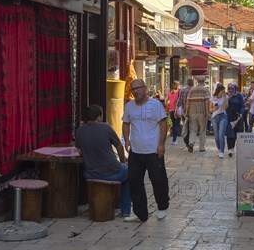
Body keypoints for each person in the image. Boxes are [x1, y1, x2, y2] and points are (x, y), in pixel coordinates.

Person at [122, 79, 169, 223]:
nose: (135, 91)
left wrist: (161, 144)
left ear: (145, 88)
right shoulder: (129, 106)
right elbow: (125, 123)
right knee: (134, 181)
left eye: (138, 88)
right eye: (133, 89)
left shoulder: (155, 105)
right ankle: (140, 212)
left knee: (158, 180)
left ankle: (162, 207)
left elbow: (163, 124)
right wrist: (126, 140)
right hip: (135, 151)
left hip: (153, 151)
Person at [75, 105, 131, 217]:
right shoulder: (106, 128)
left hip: (90, 172)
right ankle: (125, 210)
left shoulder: (80, 130)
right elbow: (119, 146)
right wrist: (122, 162)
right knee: (129, 173)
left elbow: (79, 148)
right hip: (111, 171)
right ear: (99, 117)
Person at [185, 76, 210, 153]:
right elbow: (207, 103)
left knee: (193, 130)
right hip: (202, 112)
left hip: (192, 112)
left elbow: (188, 103)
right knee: (202, 130)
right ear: (204, 81)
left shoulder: (192, 90)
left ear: (197, 81)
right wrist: (208, 113)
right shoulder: (206, 90)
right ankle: (202, 147)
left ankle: (191, 142)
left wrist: (186, 112)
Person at [225, 82, 245, 157]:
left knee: (236, 133)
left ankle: (232, 147)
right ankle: (229, 148)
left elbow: (242, 105)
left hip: (237, 117)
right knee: (230, 133)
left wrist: (241, 113)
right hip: (228, 117)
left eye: (232, 89)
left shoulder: (239, 95)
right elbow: (224, 106)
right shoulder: (226, 95)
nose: (230, 90)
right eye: (229, 89)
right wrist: (228, 98)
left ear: (235, 88)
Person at [210, 83, 229, 159]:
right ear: (219, 91)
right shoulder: (212, 97)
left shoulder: (225, 97)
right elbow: (210, 109)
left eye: (224, 91)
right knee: (217, 136)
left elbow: (225, 107)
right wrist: (214, 109)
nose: (223, 93)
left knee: (221, 134)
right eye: (222, 91)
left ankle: (222, 151)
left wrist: (224, 98)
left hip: (223, 116)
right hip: (214, 117)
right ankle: (219, 149)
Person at [177, 78, 194, 149]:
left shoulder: (182, 90)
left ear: (187, 83)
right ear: (192, 84)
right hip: (193, 112)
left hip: (184, 113)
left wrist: (176, 110)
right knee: (192, 128)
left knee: (185, 127)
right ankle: (190, 142)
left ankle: (187, 142)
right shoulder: (194, 90)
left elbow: (179, 101)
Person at [165, 81, 181, 145]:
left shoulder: (169, 93)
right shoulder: (178, 92)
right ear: (177, 86)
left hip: (171, 111)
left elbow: (166, 102)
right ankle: (174, 140)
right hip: (177, 111)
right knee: (176, 125)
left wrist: (169, 105)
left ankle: (174, 140)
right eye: (179, 85)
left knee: (174, 125)